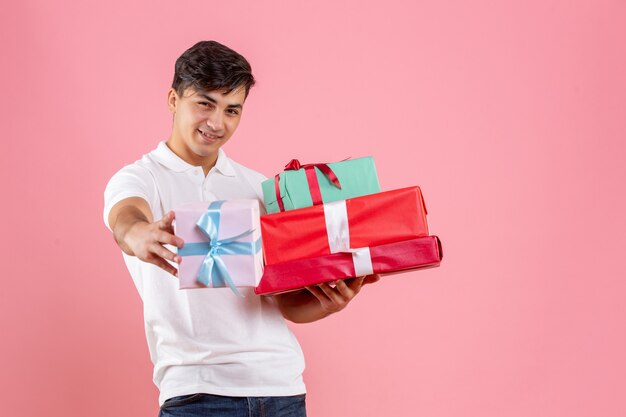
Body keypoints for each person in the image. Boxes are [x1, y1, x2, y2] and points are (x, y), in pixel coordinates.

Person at [103, 40, 379, 417]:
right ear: (173, 99)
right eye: (205, 103)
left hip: (281, 389)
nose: (217, 123)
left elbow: (281, 301)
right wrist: (139, 234)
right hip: (197, 394)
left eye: (232, 110)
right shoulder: (140, 177)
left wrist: (328, 303)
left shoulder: (258, 188)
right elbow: (125, 218)